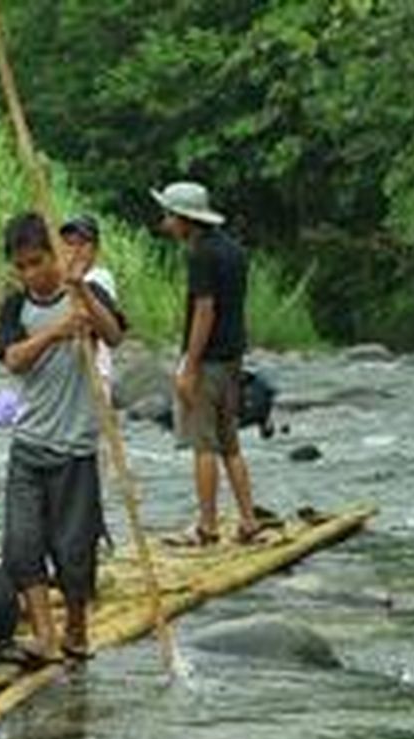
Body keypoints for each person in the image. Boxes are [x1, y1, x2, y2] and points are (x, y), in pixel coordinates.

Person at [0, 212, 127, 662]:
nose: (32, 273)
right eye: (23, 266)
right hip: (30, 443)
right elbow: (13, 360)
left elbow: (114, 335)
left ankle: (76, 631)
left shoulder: (87, 294)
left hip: (76, 447)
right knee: (22, 543)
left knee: (74, 549)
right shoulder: (17, 308)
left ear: (57, 254)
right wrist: (55, 333)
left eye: (38, 262)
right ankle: (46, 637)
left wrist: (83, 294)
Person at [152, 181, 266, 545]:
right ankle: (248, 520)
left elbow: (204, 311)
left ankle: (207, 526)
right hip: (233, 357)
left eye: (170, 215)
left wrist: (189, 365)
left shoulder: (200, 255)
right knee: (230, 443)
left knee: (204, 446)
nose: (166, 222)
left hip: (209, 361)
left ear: (187, 220)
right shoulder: (234, 251)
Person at [60, 213, 117, 398]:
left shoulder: (99, 278)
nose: (75, 251)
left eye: (82, 244)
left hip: (95, 374)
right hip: (66, 376)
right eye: (69, 244)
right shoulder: (63, 279)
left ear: (95, 249)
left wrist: (77, 284)